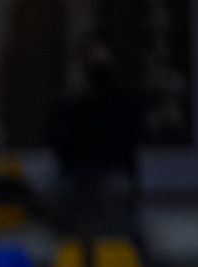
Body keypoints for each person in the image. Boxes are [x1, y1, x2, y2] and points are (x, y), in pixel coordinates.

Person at [47, 31, 145, 234]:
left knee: (117, 191)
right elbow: (57, 138)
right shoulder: (70, 102)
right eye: (89, 56)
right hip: (76, 175)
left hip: (113, 172)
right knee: (58, 194)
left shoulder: (122, 100)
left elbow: (128, 137)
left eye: (100, 56)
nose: (95, 61)